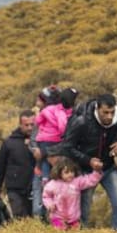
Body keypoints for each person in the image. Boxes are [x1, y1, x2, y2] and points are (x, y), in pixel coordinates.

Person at [56, 93, 117, 230]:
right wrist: (88, 160)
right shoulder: (82, 121)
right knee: (84, 208)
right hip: (86, 170)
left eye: (112, 112)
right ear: (97, 109)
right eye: (105, 112)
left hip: (108, 168)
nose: (109, 116)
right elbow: (67, 147)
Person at [33, 86, 76, 218]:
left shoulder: (48, 112)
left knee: (46, 164)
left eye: (40, 99)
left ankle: (45, 177)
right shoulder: (65, 112)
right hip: (54, 144)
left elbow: (36, 125)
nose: (37, 102)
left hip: (48, 144)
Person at [0, 111, 38, 218]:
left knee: (34, 219)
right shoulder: (9, 142)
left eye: (32, 124)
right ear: (20, 124)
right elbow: (0, 167)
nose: (30, 128)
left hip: (34, 188)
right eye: (26, 125)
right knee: (20, 218)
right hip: (15, 188)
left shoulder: (40, 140)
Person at [42, 156, 103, 230]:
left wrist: (97, 172)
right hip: (57, 217)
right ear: (59, 172)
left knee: (75, 232)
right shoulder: (53, 184)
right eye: (66, 172)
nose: (70, 174)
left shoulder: (77, 182)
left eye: (72, 172)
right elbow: (46, 196)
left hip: (73, 218)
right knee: (59, 231)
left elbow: (89, 180)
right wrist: (50, 204)